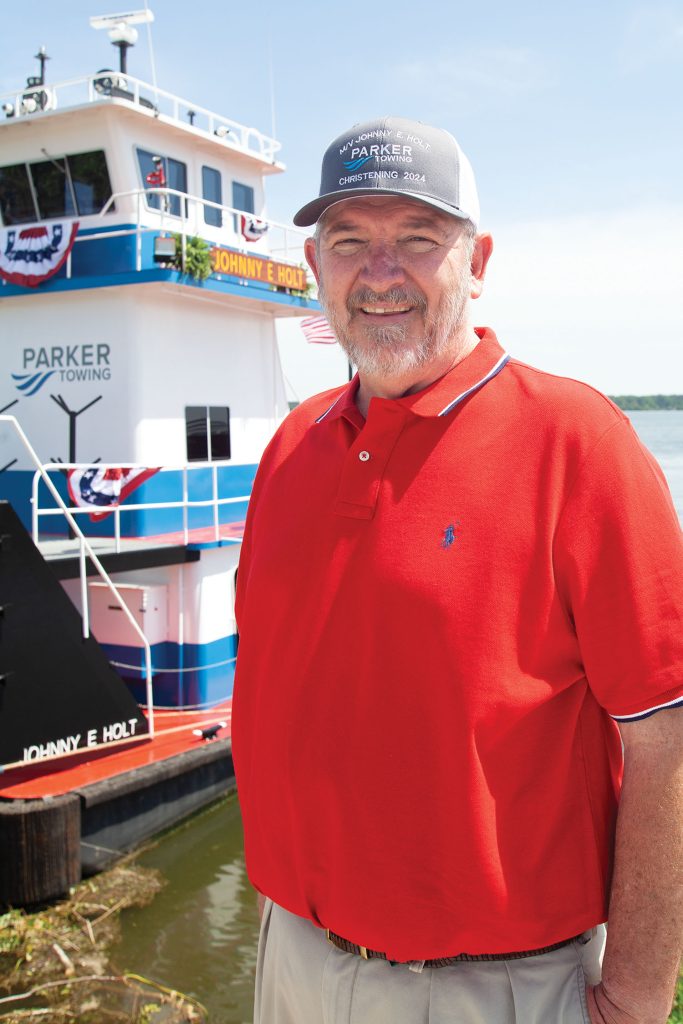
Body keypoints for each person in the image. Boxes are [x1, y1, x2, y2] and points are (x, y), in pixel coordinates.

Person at [231, 116, 683, 1024]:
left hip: (490, 988)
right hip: (292, 962)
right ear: (316, 269)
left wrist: (636, 996)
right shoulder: (291, 444)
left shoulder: (576, 442)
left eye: (418, 241)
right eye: (350, 241)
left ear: (476, 263)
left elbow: (665, 736)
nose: (380, 270)